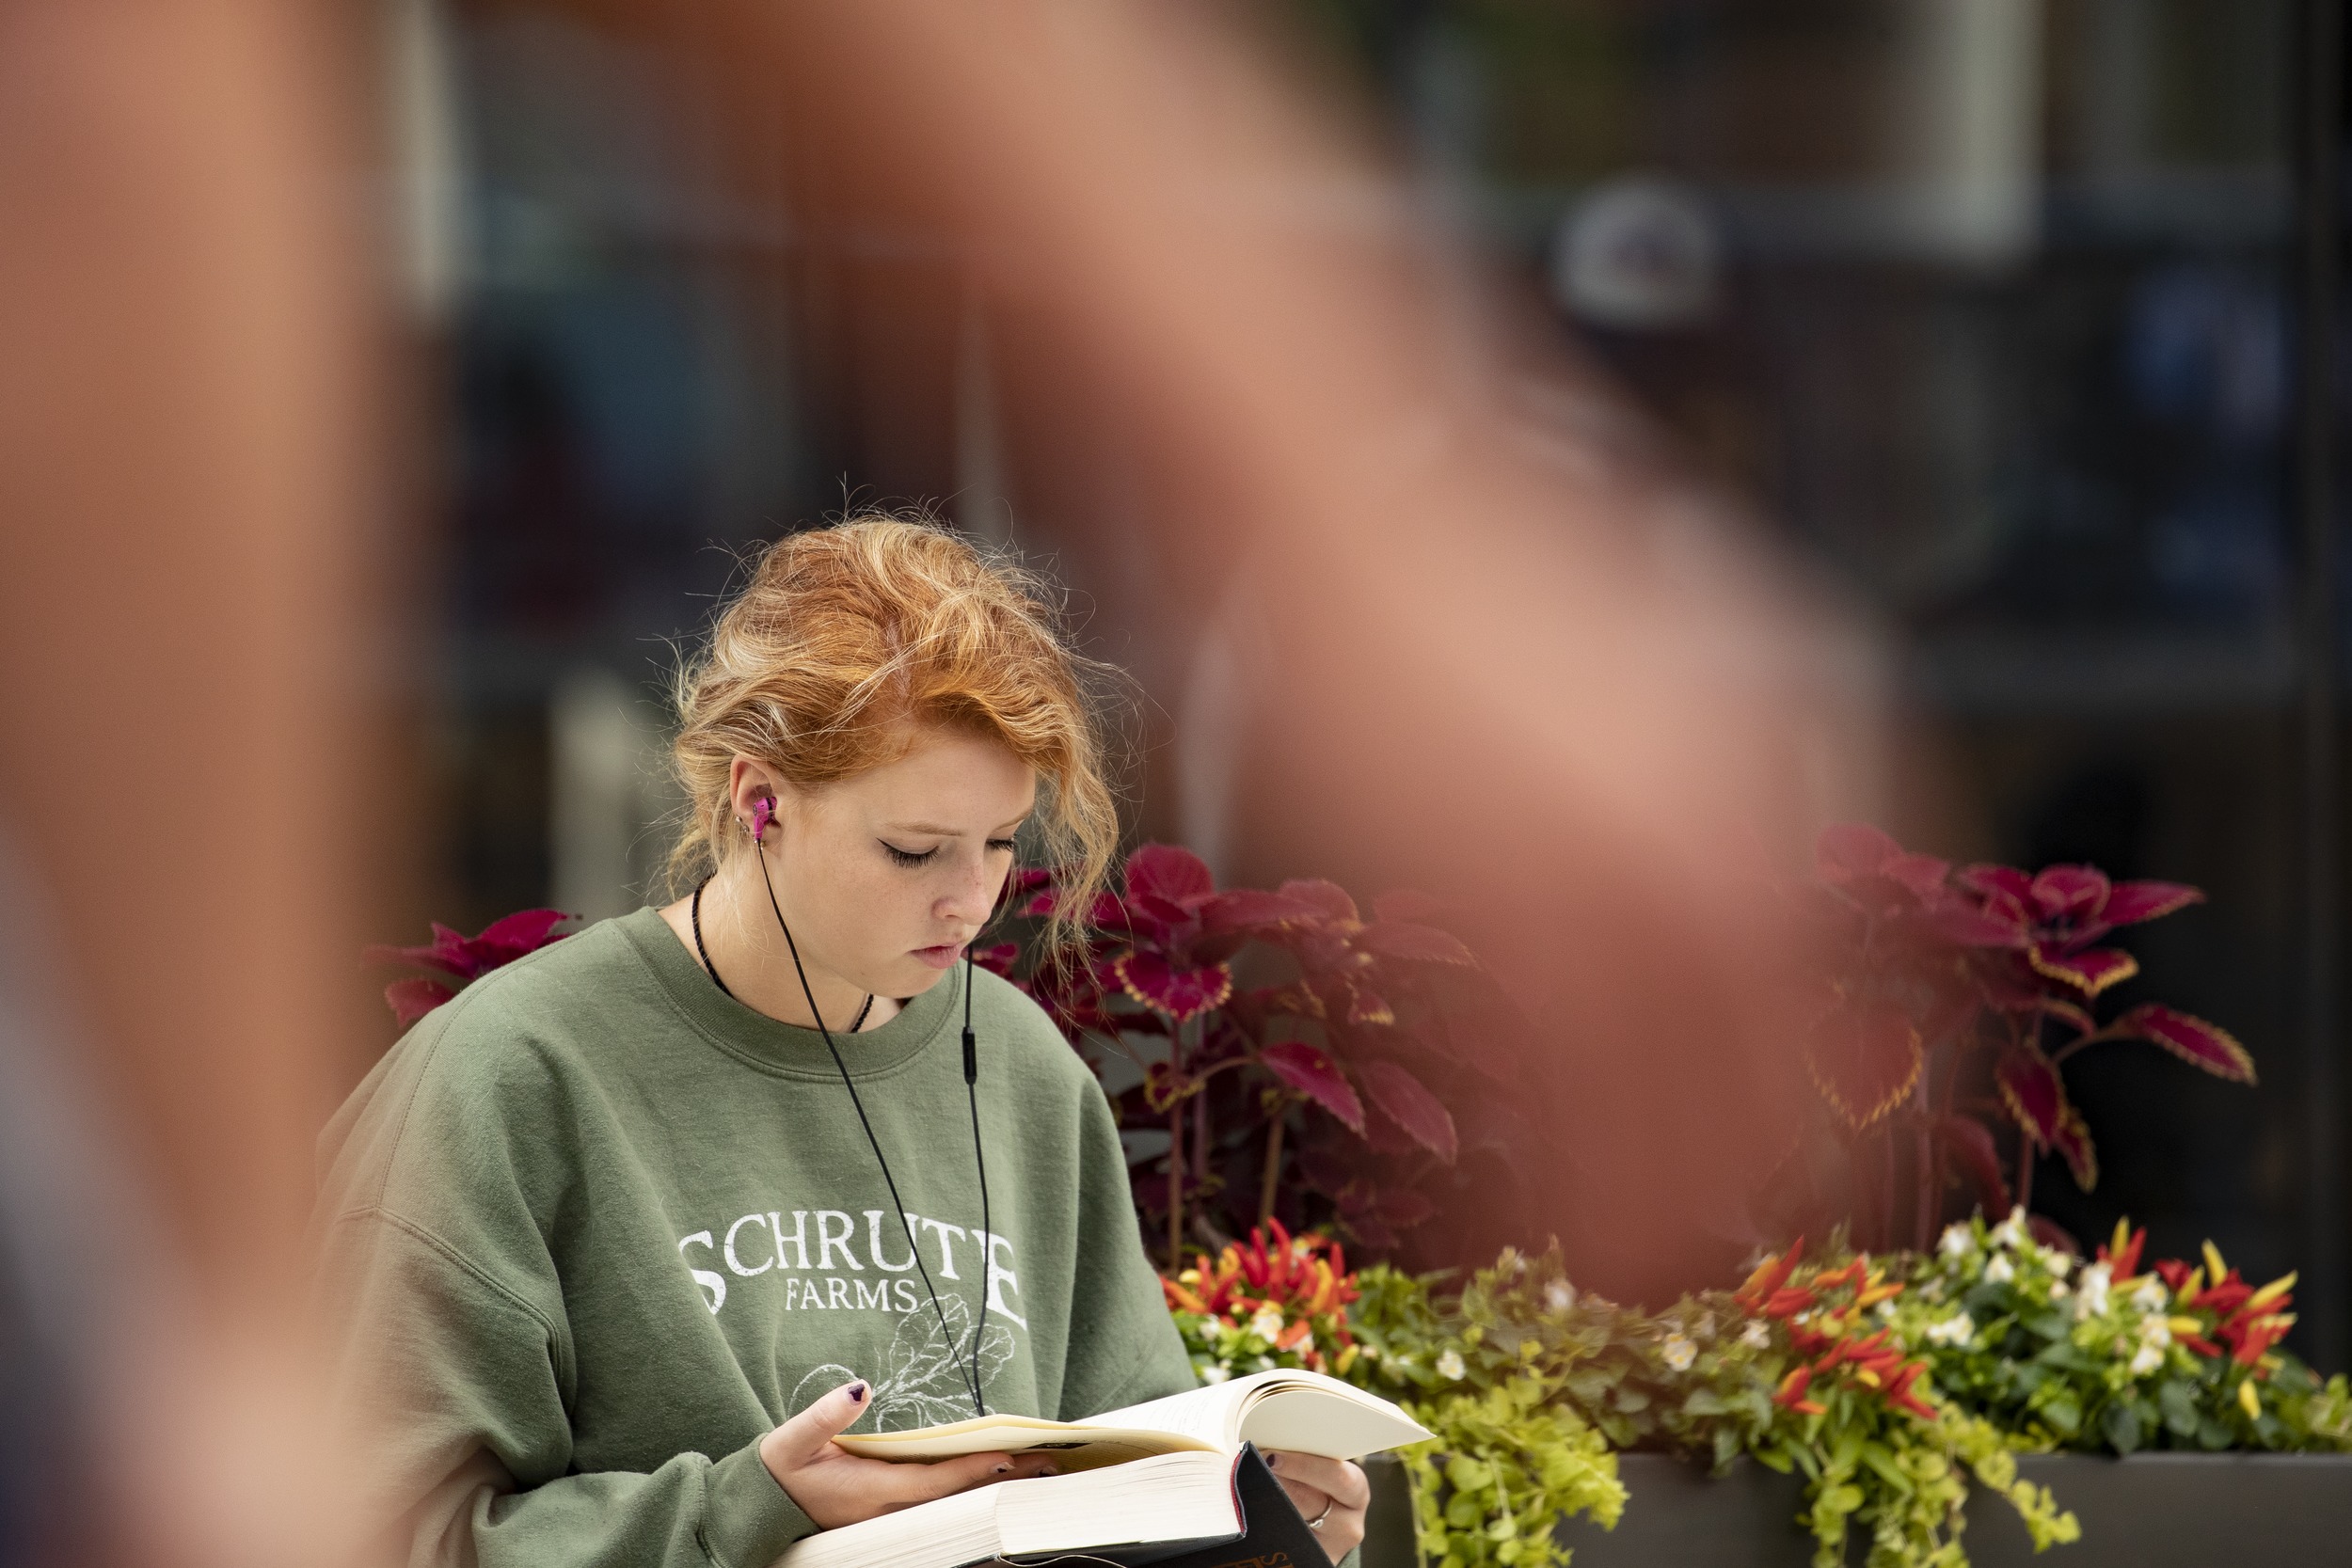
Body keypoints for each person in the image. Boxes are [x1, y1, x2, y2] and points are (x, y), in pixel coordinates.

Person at [311, 516, 1369, 1568]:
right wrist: (741, 1511)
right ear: (758, 799)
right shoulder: (513, 1073)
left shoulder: (1021, 1069)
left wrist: (1264, 1527)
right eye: (914, 850)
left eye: (1000, 842)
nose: (970, 901)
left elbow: (1137, 1490)